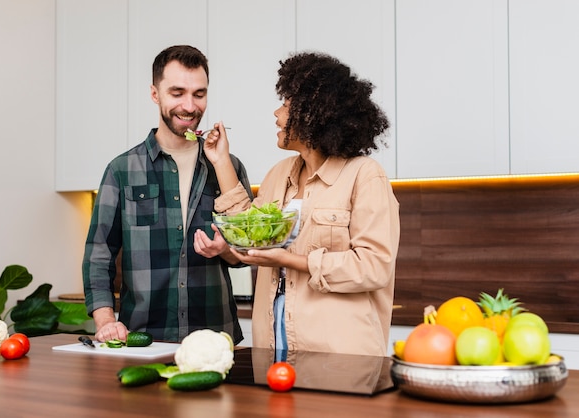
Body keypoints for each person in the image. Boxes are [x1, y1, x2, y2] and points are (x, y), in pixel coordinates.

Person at [194, 51, 400, 357]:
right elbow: (254, 232)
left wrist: (291, 260)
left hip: (339, 355)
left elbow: (374, 267)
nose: (277, 114)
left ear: (314, 114)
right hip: (274, 344)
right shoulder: (279, 174)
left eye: (287, 106)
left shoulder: (364, 176)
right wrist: (221, 160)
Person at [83, 45, 252, 345]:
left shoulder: (228, 166)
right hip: (143, 340)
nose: (189, 105)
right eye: (177, 93)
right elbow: (99, 255)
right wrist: (106, 320)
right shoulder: (122, 170)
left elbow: (248, 253)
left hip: (216, 341)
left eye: (199, 94)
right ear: (155, 94)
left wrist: (224, 250)